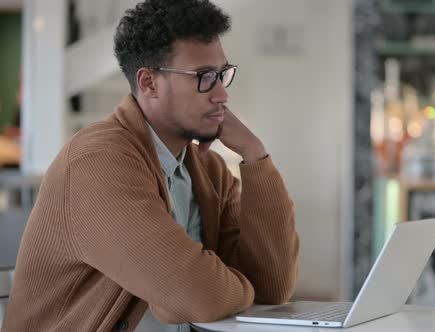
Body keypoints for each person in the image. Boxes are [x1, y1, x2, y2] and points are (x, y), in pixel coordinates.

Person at [1, 0, 299, 331]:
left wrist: (256, 156)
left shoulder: (209, 170)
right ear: (148, 83)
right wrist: (232, 287)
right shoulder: (97, 163)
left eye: (221, 75)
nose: (221, 95)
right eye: (204, 77)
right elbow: (198, 296)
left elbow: (272, 290)